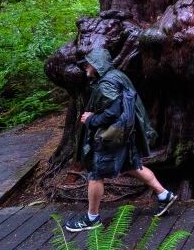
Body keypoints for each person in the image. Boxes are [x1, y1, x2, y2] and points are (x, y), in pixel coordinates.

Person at [65, 48, 177, 232]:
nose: (85, 66)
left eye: (88, 63)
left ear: (96, 64)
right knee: (132, 165)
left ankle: (92, 218)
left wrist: (91, 119)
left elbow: (114, 111)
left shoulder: (106, 84)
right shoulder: (117, 75)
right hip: (125, 134)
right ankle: (164, 195)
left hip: (112, 137)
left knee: (95, 173)